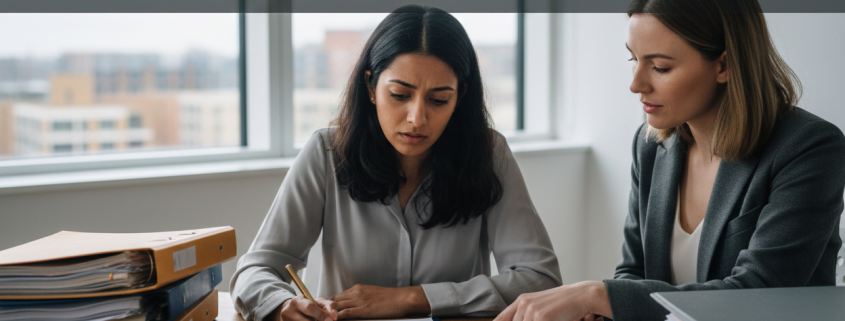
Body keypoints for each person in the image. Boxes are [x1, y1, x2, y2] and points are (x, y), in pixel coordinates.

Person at [493, 0, 845, 320]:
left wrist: (598, 295)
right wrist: (598, 307)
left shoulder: (810, 148)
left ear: (724, 64)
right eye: (634, 59)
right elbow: (634, 273)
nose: (636, 84)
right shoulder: (650, 146)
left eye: (659, 66)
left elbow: (758, 293)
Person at [229, 5, 562, 321]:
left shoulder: (489, 154)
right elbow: (255, 270)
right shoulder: (326, 152)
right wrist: (282, 304)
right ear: (371, 86)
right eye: (400, 95)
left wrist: (411, 298)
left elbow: (540, 279)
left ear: (460, 96)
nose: (417, 119)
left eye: (439, 100)